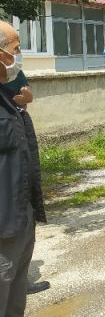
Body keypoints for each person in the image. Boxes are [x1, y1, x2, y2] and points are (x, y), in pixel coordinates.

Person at [0, 21, 46, 317]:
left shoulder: (7, 95)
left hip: (20, 212)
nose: (18, 56)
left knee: (16, 290)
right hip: (3, 221)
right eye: (15, 49)